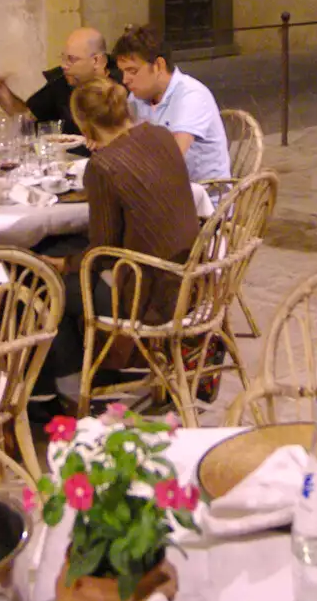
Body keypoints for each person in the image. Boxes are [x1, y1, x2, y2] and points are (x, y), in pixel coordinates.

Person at [35, 77, 198, 404]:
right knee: (63, 256)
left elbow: (103, 252)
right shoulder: (161, 135)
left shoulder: (104, 166)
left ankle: (69, 391)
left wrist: (64, 264)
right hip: (193, 279)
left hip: (151, 296)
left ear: (85, 124)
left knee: (47, 283)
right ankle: (101, 368)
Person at [111, 25, 231, 182]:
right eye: (123, 72)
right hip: (161, 187)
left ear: (159, 65)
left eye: (133, 71)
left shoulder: (191, 96)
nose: (125, 80)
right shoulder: (137, 97)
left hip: (204, 197)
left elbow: (171, 159)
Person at [0, 27, 120, 137]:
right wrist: (5, 95)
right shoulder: (62, 82)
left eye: (71, 59)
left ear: (97, 61)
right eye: (63, 58)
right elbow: (29, 118)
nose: (64, 65)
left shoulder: (121, 85)